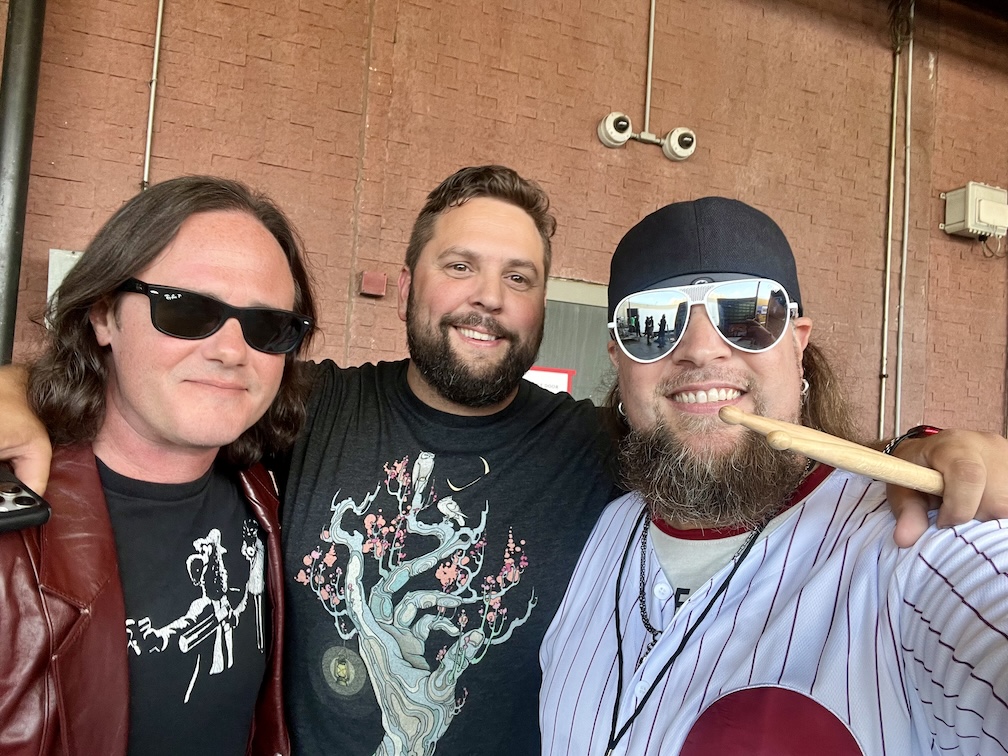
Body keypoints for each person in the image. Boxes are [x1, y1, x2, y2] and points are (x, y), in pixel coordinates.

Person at [2, 168, 1008, 756]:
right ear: (406, 283)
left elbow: (738, 452)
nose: (487, 297)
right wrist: (20, 392)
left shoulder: (601, 451)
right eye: (459, 266)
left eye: (519, 277)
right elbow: (165, 404)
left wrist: (929, 456)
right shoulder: (304, 410)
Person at [539, 197, 1008, 755]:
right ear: (618, 356)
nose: (701, 349)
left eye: (746, 313)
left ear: (798, 342)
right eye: (653, 323)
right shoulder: (599, 525)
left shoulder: (913, 538)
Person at [0, 176, 318, 755]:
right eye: (187, 309)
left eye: (268, 326)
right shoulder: (12, 528)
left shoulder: (270, 487)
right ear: (102, 316)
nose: (229, 350)